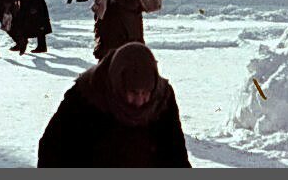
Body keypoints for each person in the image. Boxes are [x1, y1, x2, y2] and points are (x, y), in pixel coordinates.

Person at [37, 42, 191, 168]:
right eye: (133, 93)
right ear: (118, 84)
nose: (139, 101)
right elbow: (51, 151)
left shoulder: (161, 98)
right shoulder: (86, 95)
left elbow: (174, 152)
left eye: (145, 93)